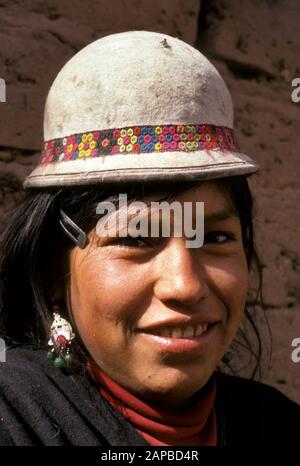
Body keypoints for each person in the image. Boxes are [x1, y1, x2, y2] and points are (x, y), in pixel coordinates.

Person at [0, 30, 299, 446]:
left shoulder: (277, 425)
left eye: (215, 236)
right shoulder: (13, 418)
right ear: (54, 268)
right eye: (137, 240)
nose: (186, 285)